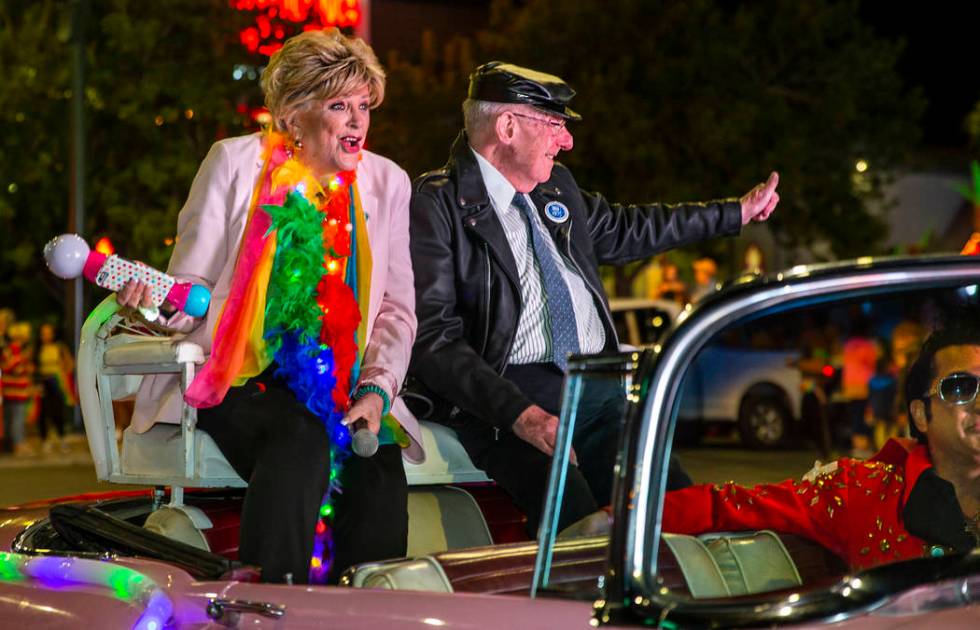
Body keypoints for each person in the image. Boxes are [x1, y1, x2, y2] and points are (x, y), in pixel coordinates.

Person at [407, 62, 779, 535]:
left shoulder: (556, 187)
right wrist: (519, 414)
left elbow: (632, 229)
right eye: (555, 125)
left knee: (681, 518)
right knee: (582, 539)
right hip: (511, 402)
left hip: (597, 393)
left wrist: (734, 214)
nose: (567, 142)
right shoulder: (438, 202)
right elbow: (435, 337)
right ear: (507, 127)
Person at [122, 28, 418, 584]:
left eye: (363, 106)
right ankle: (264, 604)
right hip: (237, 376)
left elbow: (395, 312)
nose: (357, 121)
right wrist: (154, 303)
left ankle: (366, 616)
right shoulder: (233, 164)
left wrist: (377, 389)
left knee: (377, 465)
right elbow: (191, 293)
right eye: (338, 106)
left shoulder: (387, 183)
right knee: (299, 438)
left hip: (344, 384)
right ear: (292, 116)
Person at [663, 314, 980, 571]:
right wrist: (625, 516)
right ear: (921, 414)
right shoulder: (861, 491)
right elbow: (732, 505)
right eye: (961, 388)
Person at [37, 323, 75, 453]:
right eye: (43, 333)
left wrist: (63, 372)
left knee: (58, 411)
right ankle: (45, 440)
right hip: (43, 383)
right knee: (43, 413)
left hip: (57, 383)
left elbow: (70, 364)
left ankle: (62, 439)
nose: (46, 336)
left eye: (48, 333)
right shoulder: (37, 348)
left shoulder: (60, 347)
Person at [1, 321, 36, 457]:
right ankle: (18, 444)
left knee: (11, 419)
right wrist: (24, 365)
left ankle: (10, 444)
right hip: (15, 391)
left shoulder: (14, 350)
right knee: (17, 419)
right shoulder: (13, 350)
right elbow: (11, 367)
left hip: (14, 390)